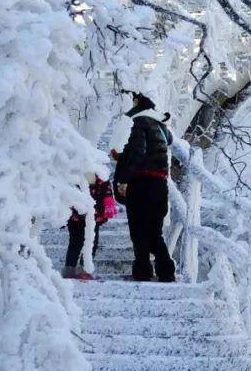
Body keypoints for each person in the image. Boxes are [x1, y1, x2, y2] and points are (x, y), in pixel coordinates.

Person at [114, 93, 176, 283]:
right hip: (159, 184)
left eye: (132, 100)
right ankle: (166, 270)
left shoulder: (139, 121)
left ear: (138, 103)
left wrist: (123, 178)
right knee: (154, 230)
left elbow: (139, 153)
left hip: (141, 184)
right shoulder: (159, 125)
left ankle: (142, 270)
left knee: (139, 229)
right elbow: (165, 144)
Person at [61, 177, 115, 280]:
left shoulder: (96, 169)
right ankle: (75, 267)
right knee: (80, 240)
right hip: (79, 208)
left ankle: (79, 267)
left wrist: (107, 199)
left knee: (87, 240)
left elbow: (104, 182)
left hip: (91, 208)